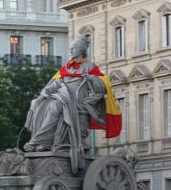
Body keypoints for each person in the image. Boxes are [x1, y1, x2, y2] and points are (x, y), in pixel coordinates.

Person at [24, 35, 120, 173]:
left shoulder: (90, 67)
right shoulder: (67, 67)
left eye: (73, 48)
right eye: (70, 49)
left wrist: (91, 78)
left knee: (56, 106)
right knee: (40, 104)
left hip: (78, 101)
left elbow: (102, 87)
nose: (70, 51)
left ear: (81, 50)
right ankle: (43, 142)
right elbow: (57, 82)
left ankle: (39, 141)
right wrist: (44, 92)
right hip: (64, 96)